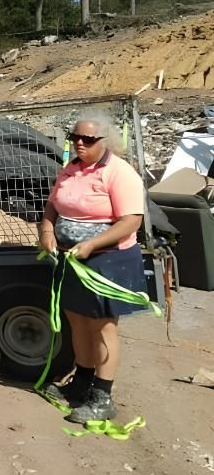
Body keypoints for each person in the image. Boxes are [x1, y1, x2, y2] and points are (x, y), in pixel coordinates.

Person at [38, 111, 146, 423]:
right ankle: (81, 383)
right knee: (78, 319)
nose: (79, 144)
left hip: (107, 260)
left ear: (105, 141)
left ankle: (103, 397)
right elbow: (52, 206)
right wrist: (47, 232)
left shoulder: (119, 172)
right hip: (72, 259)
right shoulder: (70, 170)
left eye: (88, 140)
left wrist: (92, 244)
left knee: (102, 326)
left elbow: (131, 220)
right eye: (75, 139)